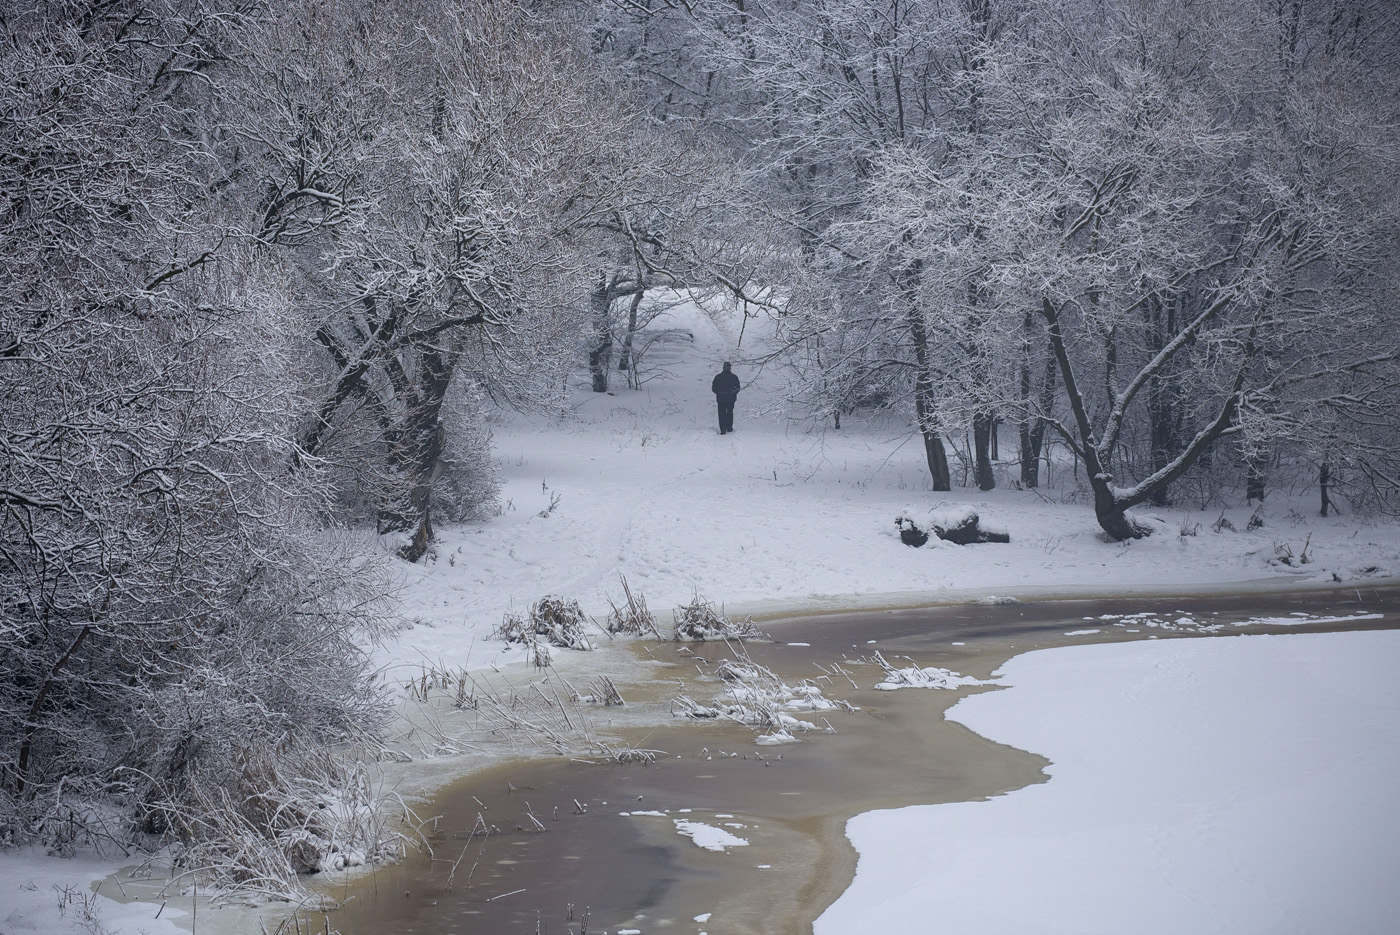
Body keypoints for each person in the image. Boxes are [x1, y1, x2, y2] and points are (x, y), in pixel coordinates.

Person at [711, 362, 740, 434]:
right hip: (731, 398)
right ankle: (729, 427)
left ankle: (723, 429)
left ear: (723, 368)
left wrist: (719, 393)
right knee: (730, 412)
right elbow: (737, 388)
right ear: (730, 368)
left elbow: (714, 388)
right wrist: (732, 394)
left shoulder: (718, 377)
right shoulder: (734, 377)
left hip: (721, 398)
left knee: (721, 413)